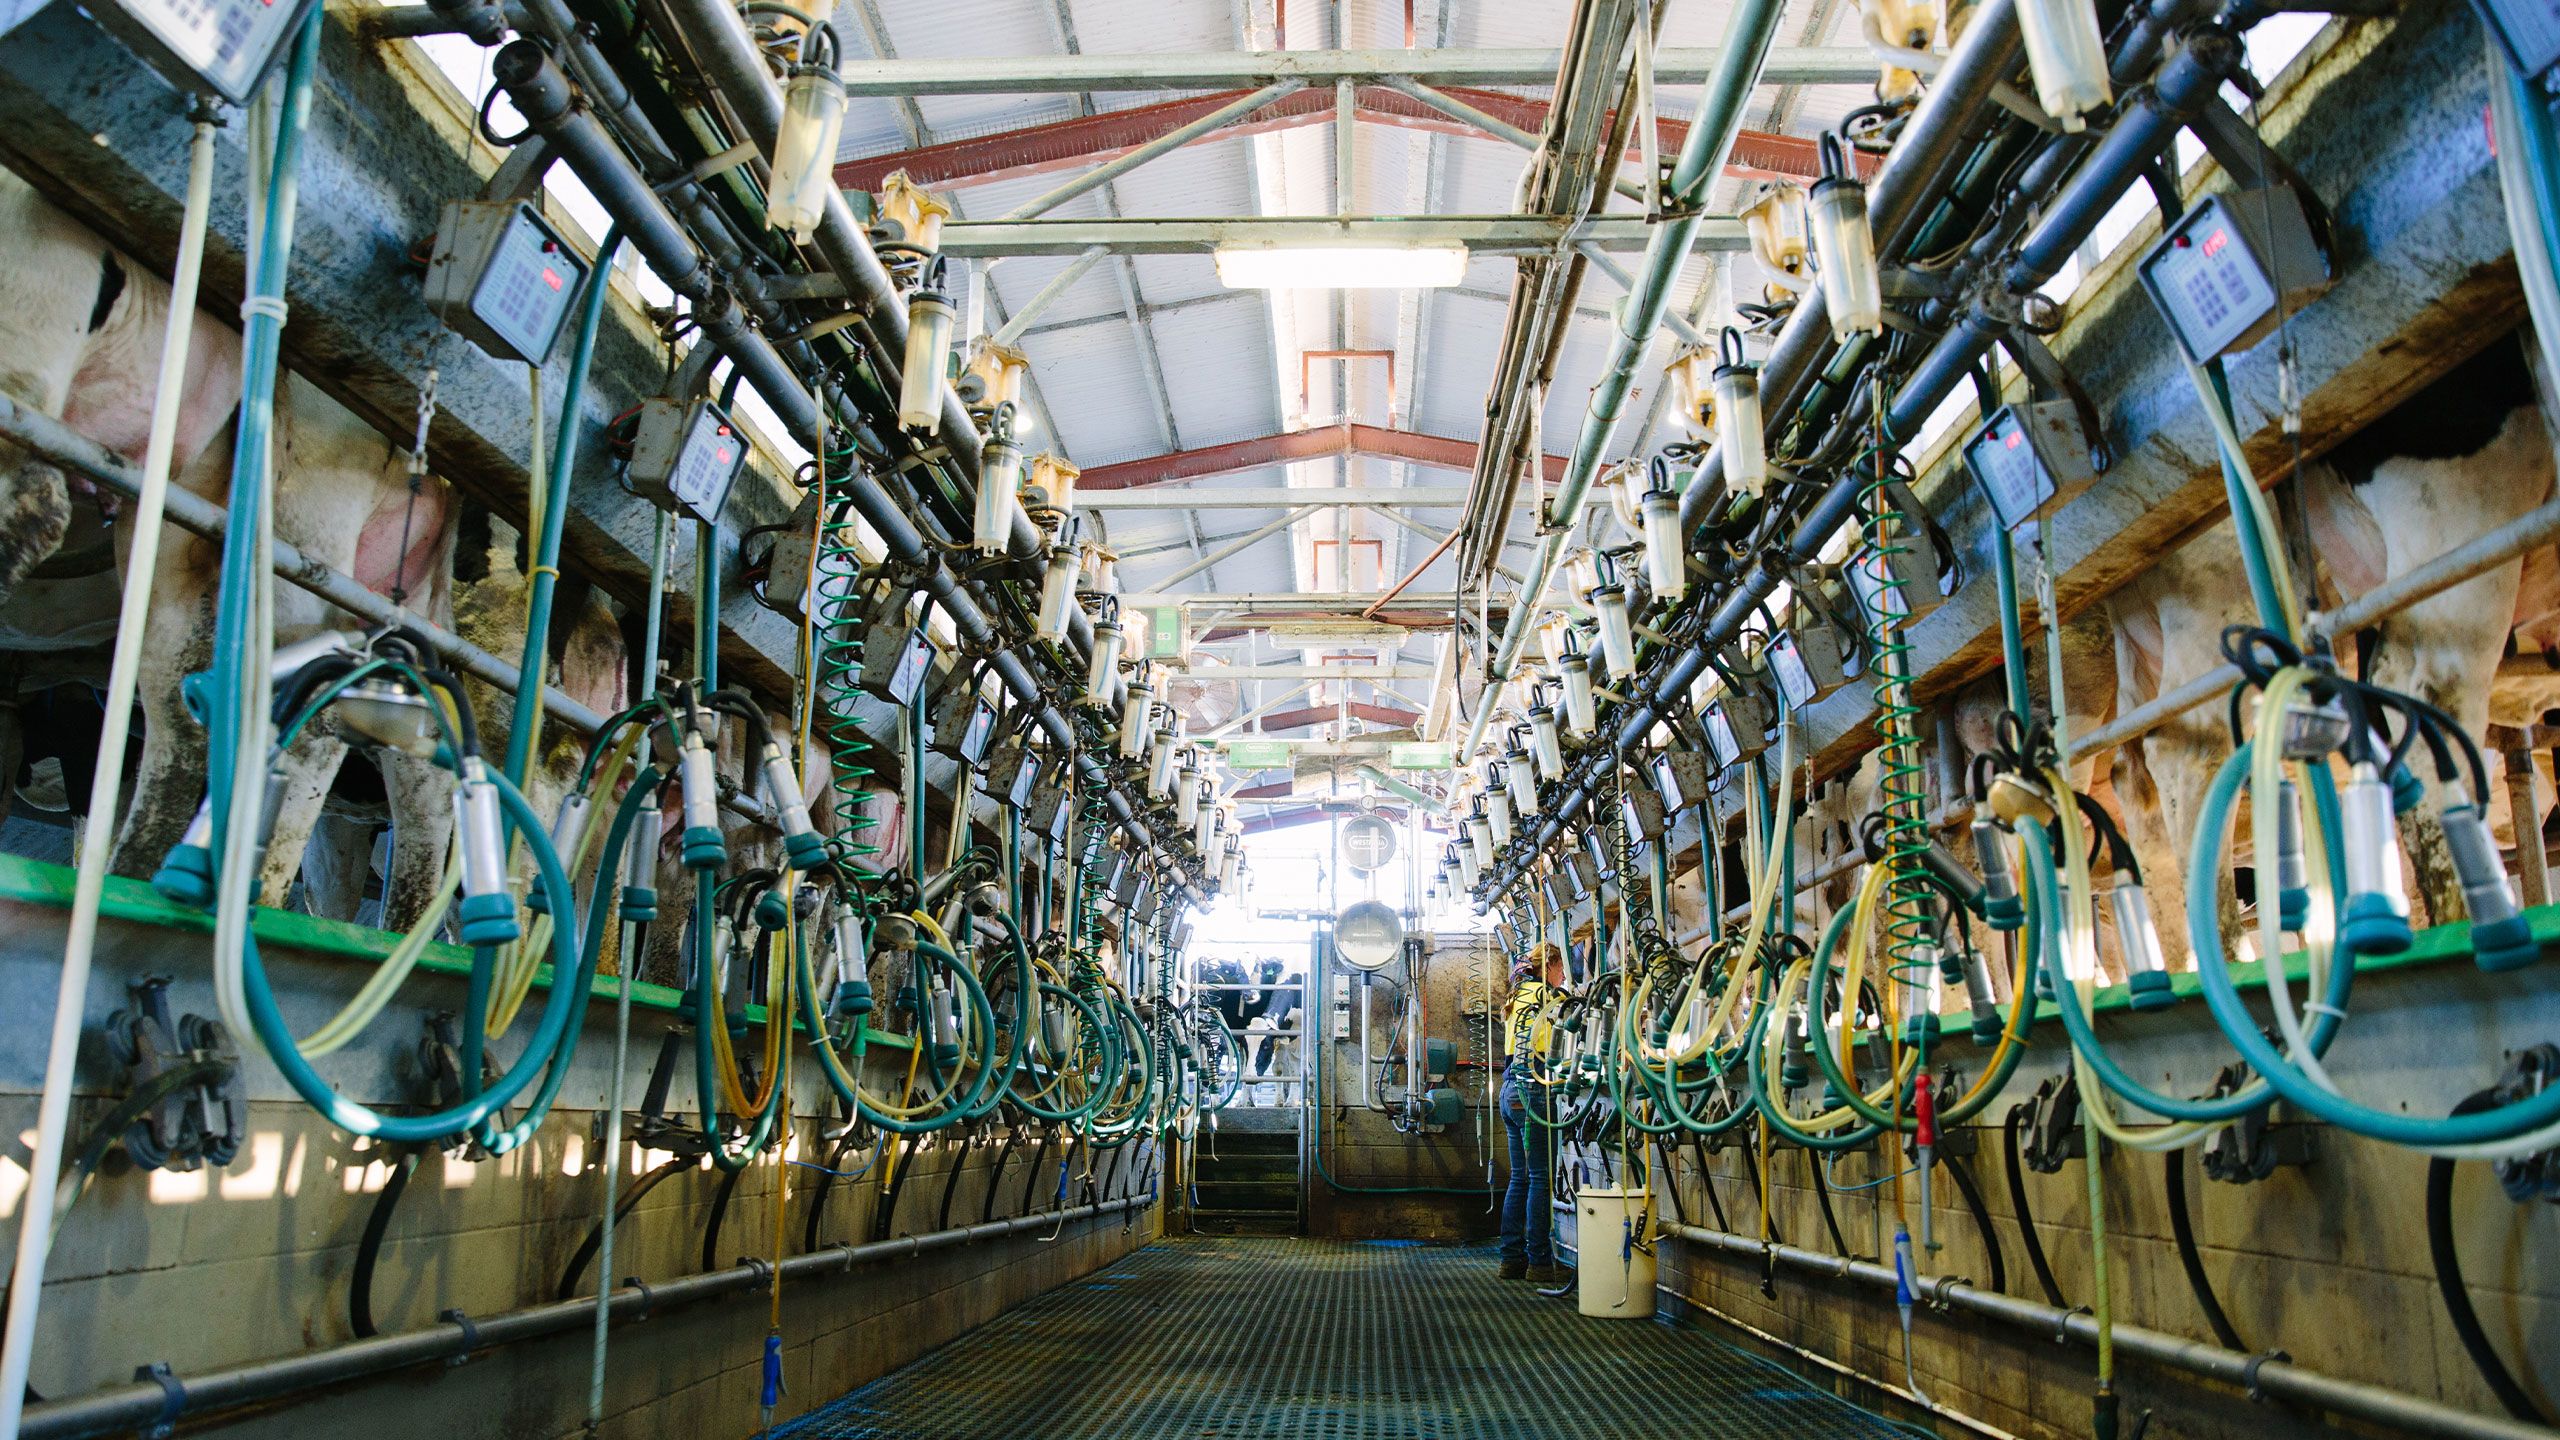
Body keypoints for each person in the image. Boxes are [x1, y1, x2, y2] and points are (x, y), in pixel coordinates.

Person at [1498, 944, 1566, 1283]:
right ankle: (1539, 1262)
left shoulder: (1516, 996)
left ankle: (1511, 1259)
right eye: (1561, 968)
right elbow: (1558, 1044)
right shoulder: (1546, 996)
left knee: (1520, 1178)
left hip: (1510, 1089)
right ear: (1550, 965)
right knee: (1540, 1178)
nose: (1564, 975)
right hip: (1534, 1087)